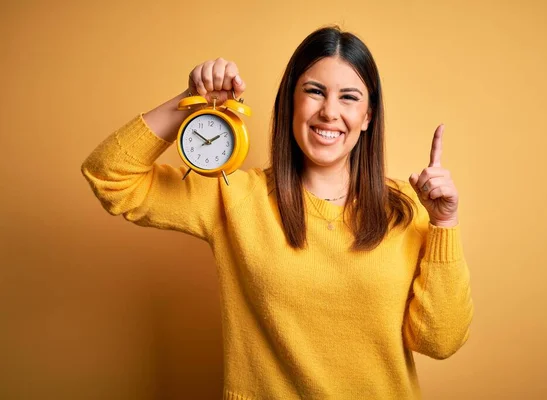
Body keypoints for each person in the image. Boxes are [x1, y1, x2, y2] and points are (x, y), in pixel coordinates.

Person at [82, 25, 473, 399]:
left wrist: (444, 223)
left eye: (349, 97)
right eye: (315, 92)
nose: (329, 112)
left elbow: (438, 341)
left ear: (368, 116)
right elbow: (109, 176)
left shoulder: (407, 208)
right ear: (290, 103)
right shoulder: (234, 196)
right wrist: (193, 101)